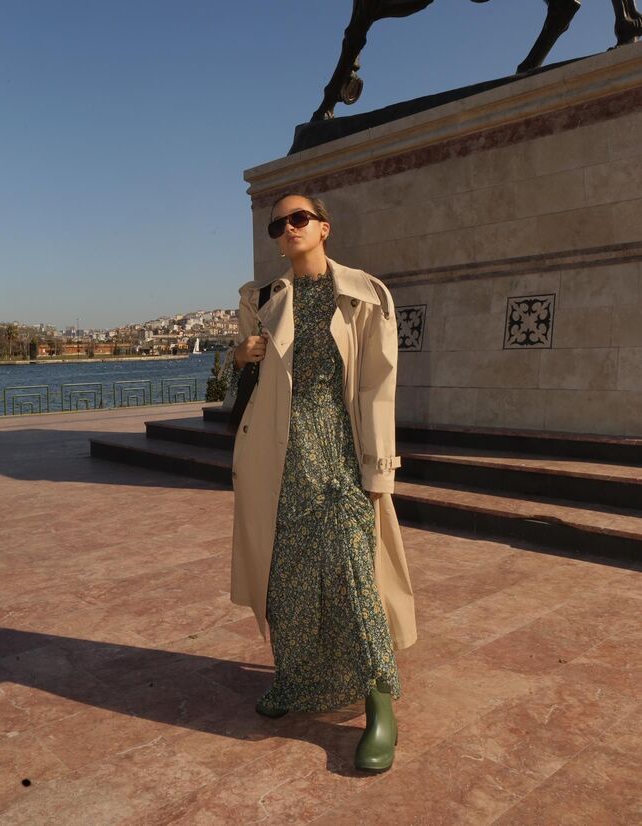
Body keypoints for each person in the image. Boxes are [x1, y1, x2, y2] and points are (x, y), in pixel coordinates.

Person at [228, 193, 416, 772]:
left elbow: (379, 387)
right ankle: (294, 680)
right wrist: (240, 356)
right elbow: (246, 387)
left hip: (339, 455)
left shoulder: (364, 294)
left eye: (299, 219)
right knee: (286, 577)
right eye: (277, 225)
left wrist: (378, 468)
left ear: (323, 227)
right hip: (278, 459)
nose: (288, 229)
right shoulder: (261, 299)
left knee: (356, 577)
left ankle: (379, 706)